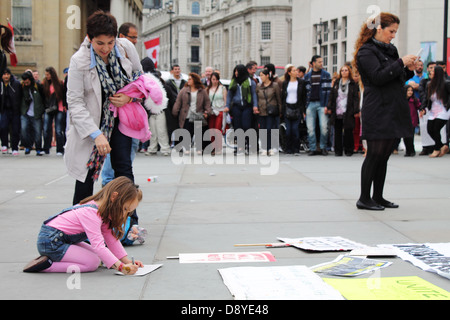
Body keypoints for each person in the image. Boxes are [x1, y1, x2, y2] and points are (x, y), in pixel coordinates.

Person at [65, 10, 143, 206]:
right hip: (92, 124)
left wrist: (129, 97)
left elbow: (141, 79)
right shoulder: (79, 60)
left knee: (124, 171)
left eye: (110, 42)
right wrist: (96, 134)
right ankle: (80, 227)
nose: (106, 48)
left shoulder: (125, 48)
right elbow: (74, 102)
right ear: (89, 38)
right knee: (87, 175)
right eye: (100, 43)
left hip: (120, 119)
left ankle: (128, 224)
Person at [354, 12, 417, 211]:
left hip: (392, 105)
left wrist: (409, 68)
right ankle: (364, 198)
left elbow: (396, 76)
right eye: (391, 31)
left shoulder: (391, 49)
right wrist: (400, 63)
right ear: (379, 28)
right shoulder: (366, 51)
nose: (393, 36)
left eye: (395, 32)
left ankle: (378, 196)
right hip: (377, 107)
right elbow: (378, 77)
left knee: (385, 154)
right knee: (374, 153)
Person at [23, 176, 144, 274]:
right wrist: (121, 267)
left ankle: (53, 260)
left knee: (102, 257)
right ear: (114, 197)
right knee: (92, 263)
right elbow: (99, 246)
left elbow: (111, 238)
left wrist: (126, 261)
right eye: (125, 209)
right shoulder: (92, 213)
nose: (124, 215)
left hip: (59, 239)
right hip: (51, 242)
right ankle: (47, 265)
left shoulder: (102, 211)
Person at [172, 73, 212, 154]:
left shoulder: (202, 91)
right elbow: (178, 102)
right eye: (188, 79)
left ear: (195, 80)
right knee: (187, 132)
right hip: (186, 115)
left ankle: (199, 148)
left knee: (199, 132)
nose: (188, 80)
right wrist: (175, 111)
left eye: (190, 79)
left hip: (198, 115)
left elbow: (207, 103)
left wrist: (207, 112)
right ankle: (187, 148)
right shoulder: (184, 90)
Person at [327, 65, 360, 157]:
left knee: (348, 130)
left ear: (349, 72)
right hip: (337, 109)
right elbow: (332, 96)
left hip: (348, 109)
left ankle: (349, 149)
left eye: (346, 70)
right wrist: (329, 107)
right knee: (337, 130)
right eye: (342, 71)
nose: (344, 72)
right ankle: (338, 150)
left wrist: (355, 110)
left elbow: (355, 98)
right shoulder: (337, 83)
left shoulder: (352, 84)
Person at [226, 64, 258, 154]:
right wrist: (227, 106)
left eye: (238, 71)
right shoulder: (233, 82)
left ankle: (248, 145)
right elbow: (229, 95)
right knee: (238, 127)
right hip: (236, 107)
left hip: (247, 106)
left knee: (246, 126)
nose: (236, 73)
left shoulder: (250, 82)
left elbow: (254, 95)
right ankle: (240, 146)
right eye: (235, 71)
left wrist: (255, 106)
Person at [142, 57, 171, 156]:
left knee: (160, 131)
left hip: (159, 111)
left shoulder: (163, 87)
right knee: (154, 132)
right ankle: (154, 148)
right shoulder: (161, 86)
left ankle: (164, 148)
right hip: (153, 111)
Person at [304, 55, 332, 155]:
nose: (321, 64)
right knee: (310, 128)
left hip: (322, 103)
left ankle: (323, 147)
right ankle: (312, 148)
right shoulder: (307, 76)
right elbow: (305, 92)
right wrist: (305, 108)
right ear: (314, 63)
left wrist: (328, 106)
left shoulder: (326, 75)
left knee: (324, 127)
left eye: (322, 62)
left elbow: (329, 92)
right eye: (319, 62)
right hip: (310, 103)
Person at [423, 66, 450, 158]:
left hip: (443, 109)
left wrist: (448, 106)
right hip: (433, 110)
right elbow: (426, 98)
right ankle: (442, 146)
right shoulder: (429, 84)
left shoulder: (446, 83)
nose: (430, 72)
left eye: (432, 70)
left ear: (437, 72)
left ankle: (436, 149)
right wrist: (423, 108)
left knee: (436, 129)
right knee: (429, 129)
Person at [281, 66, 306, 155]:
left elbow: (304, 96)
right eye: (294, 71)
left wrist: (304, 110)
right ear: (289, 73)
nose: (296, 72)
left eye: (297, 71)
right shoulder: (285, 83)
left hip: (297, 108)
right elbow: (283, 96)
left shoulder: (301, 82)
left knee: (295, 129)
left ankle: (296, 149)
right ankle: (288, 148)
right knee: (288, 131)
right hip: (287, 107)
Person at [255, 69, 281, 156]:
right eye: (260, 75)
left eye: (262, 75)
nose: (261, 77)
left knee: (270, 129)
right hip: (261, 110)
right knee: (262, 129)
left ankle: (271, 147)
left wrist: (280, 111)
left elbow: (279, 99)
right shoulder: (258, 86)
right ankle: (264, 148)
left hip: (271, 111)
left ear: (267, 75)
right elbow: (257, 97)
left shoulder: (275, 85)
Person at [20, 71, 46, 156]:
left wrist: (42, 110)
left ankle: (38, 148)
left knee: (38, 132)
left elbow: (43, 98)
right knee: (24, 130)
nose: (26, 83)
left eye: (27, 81)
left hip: (36, 113)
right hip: (25, 113)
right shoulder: (22, 86)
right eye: (24, 81)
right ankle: (28, 146)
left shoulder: (38, 86)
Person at [42, 67, 66, 155]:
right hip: (48, 109)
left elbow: (64, 95)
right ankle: (46, 148)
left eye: (48, 74)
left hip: (59, 108)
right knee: (46, 129)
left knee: (58, 130)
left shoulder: (60, 83)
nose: (47, 76)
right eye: (46, 74)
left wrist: (64, 106)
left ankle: (60, 149)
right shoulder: (44, 83)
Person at [418, 62, 438, 155]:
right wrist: (423, 107)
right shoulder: (424, 81)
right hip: (427, 107)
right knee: (426, 127)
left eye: (434, 68)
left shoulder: (443, 81)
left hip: (440, 110)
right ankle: (426, 147)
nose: (432, 70)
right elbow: (423, 95)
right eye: (430, 68)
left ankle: (438, 146)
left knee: (437, 128)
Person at [1, 68, 22, 156]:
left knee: (15, 130)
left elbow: (21, 96)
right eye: (4, 74)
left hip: (15, 110)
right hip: (3, 110)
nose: (6, 76)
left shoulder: (16, 84)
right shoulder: (1, 84)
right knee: (3, 127)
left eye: (8, 74)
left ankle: (14, 148)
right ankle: (4, 145)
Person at [207, 72, 227, 155]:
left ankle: (218, 147)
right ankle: (213, 147)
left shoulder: (222, 88)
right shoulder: (208, 89)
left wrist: (226, 108)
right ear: (210, 80)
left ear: (218, 80)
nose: (214, 81)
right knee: (211, 130)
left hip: (220, 110)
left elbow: (225, 100)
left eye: (216, 79)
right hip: (212, 111)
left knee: (217, 129)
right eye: (213, 79)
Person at [166, 64, 186, 147]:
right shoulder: (169, 82)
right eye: (175, 69)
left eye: (178, 69)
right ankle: (172, 142)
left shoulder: (184, 82)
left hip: (183, 106)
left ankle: (180, 143)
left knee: (182, 125)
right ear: (172, 71)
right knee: (173, 125)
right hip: (172, 106)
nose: (177, 71)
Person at [404, 85, 421, 157]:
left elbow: (419, 106)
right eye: (408, 90)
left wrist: (422, 110)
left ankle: (412, 150)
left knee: (410, 136)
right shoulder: (402, 100)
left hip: (412, 120)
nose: (410, 92)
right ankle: (408, 150)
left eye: (411, 90)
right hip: (404, 121)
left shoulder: (414, 100)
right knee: (405, 137)